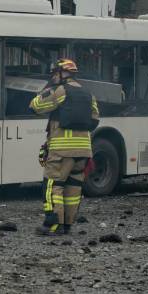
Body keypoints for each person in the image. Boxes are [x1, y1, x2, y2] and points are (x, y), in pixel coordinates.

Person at [30, 58, 100, 236]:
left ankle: (52, 225)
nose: (53, 77)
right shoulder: (88, 93)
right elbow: (95, 120)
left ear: (62, 73)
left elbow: (35, 106)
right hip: (84, 149)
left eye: (54, 74)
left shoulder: (60, 90)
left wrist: (46, 90)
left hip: (62, 150)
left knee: (53, 185)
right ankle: (67, 225)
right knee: (74, 187)